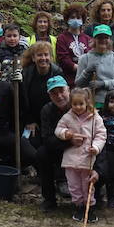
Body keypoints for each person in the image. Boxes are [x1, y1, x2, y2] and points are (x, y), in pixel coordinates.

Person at [55, 86, 106, 222]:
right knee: (73, 185)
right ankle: (78, 206)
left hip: (87, 159)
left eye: (81, 104)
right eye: (75, 104)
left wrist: (96, 147)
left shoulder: (95, 117)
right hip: (70, 160)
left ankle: (90, 207)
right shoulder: (67, 117)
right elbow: (58, 129)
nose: (78, 107)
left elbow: (101, 135)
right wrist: (66, 134)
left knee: (87, 185)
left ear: (87, 102)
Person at [34, 76, 72, 212]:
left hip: (80, 148)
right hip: (59, 148)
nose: (59, 96)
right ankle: (49, 199)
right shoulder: (47, 110)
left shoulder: (80, 104)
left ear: (68, 89)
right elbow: (47, 138)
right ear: (49, 95)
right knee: (42, 154)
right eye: (54, 93)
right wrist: (69, 140)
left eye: (62, 91)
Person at [74, 23, 114, 104]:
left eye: (106, 37)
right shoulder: (84, 58)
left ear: (110, 40)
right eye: (99, 38)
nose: (103, 40)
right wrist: (87, 72)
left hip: (111, 103)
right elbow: (78, 84)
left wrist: (103, 84)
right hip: (91, 102)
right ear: (94, 39)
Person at [55, 3, 92, 84]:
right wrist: (79, 68)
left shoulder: (88, 39)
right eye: (72, 17)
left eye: (78, 18)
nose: (75, 20)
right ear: (67, 19)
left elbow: (92, 57)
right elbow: (63, 59)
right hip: (69, 79)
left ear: (82, 20)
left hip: (86, 79)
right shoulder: (62, 38)